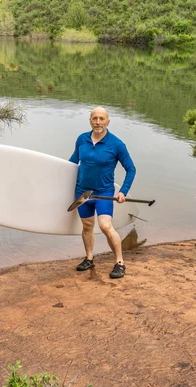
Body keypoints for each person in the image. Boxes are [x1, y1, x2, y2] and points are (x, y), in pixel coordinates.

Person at [69, 106, 136, 279]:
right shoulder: (82, 139)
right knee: (87, 226)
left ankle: (120, 262)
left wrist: (123, 191)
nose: (98, 122)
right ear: (90, 120)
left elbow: (131, 169)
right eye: (94, 118)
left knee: (105, 226)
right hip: (83, 192)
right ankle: (89, 258)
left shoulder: (116, 144)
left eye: (101, 119)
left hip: (103, 192)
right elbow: (72, 163)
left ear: (108, 121)